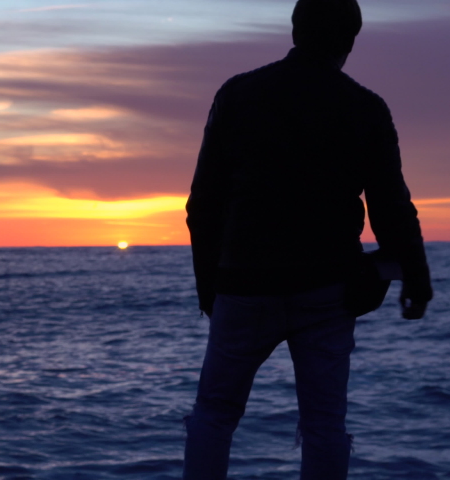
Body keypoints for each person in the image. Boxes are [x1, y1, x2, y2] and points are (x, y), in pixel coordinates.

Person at [182, 0, 433, 478]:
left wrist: (210, 290)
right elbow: (391, 208)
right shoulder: (365, 107)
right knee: (324, 424)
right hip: (327, 289)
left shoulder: (237, 95)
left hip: (243, 283)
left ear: (295, 29)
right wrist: (416, 280)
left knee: (214, 414)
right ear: (351, 39)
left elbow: (202, 205)